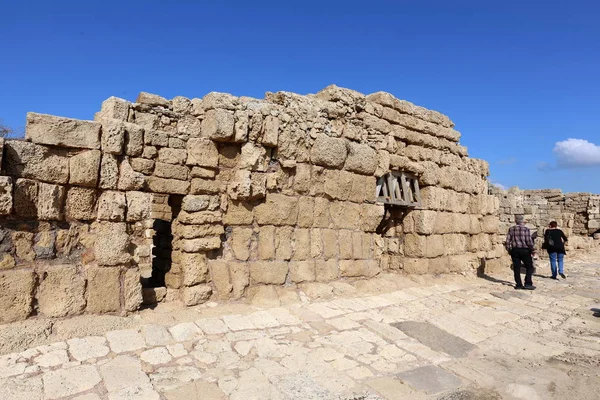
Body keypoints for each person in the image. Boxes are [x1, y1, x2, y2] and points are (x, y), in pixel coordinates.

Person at [505, 215, 535, 290]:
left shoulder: (511, 229)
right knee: (529, 267)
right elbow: (528, 241)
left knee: (516, 268)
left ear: (515, 221)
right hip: (525, 250)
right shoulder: (526, 229)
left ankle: (518, 284)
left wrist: (509, 250)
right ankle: (528, 283)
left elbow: (508, 241)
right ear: (523, 221)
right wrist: (532, 249)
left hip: (515, 250)